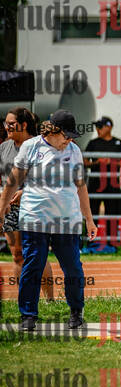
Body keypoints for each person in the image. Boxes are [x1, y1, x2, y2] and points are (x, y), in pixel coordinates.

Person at [0, 109, 97, 331]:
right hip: (35, 218)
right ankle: (28, 315)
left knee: (73, 268)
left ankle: (76, 312)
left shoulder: (74, 150)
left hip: (67, 220)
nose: (70, 140)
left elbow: (81, 187)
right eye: (66, 135)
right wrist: (1, 209)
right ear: (53, 131)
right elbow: (13, 182)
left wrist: (89, 220)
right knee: (33, 265)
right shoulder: (31, 147)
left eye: (72, 136)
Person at [0, 107, 54, 301]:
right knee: (17, 255)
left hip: (36, 205)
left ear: (23, 125)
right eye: (6, 123)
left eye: (11, 124)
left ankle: (49, 299)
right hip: (11, 208)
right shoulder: (4, 148)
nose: (7, 127)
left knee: (37, 254)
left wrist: (26, 191)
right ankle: (24, 299)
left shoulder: (40, 146)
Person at [84, 116, 121, 216]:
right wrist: (97, 162)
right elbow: (85, 161)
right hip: (95, 182)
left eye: (100, 127)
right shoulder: (93, 143)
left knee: (112, 212)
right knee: (93, 212)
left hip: (112, 183)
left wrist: (111, 162)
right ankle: (92, 227)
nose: (97, 129)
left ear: (109, 127)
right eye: (96, 127)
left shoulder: (119, 143)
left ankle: (110, 228)